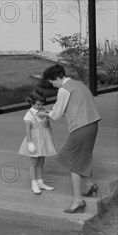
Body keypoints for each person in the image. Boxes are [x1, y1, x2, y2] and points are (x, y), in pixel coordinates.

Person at [36, 64, 102, 213]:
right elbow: (76, 106)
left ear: (58, 78)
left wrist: (45, 114)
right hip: (91, 125)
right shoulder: (79, 85)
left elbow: (57, 114)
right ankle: (90, 185)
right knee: (68, 158)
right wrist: (51, 112)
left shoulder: (64, 89)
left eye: (53, 82)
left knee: (73, 163)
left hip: (81, 128)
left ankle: (78, 200)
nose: (53, 84)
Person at [18, 89, 58, 194]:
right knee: (33, 163)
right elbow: (28, 130)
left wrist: (47, 122)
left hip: (43, 139)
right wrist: (30, 143)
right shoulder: (29, 114)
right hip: (35, 140)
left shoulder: (43, 111)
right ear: (32, 102)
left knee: (41, 162)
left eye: (42, 104)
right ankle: (34, 183)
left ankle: (40, 182)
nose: (40, 106)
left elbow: (48, 126)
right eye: (38, 104)